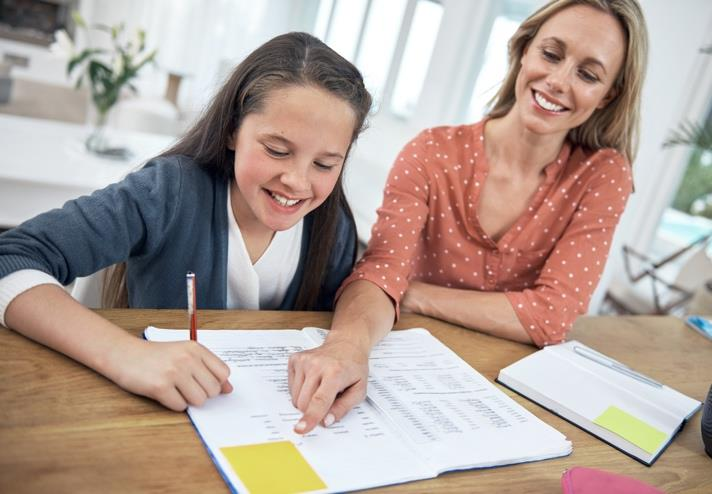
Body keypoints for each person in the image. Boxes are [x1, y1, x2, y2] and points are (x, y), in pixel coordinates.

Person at [288, 0, 648, 434]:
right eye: (551, 54)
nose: (557, 81)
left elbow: (554, 317)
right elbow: (382, 270)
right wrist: (346, 345)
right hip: (404, 381)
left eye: (588, 74)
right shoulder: (432, 153)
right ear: (524, 49)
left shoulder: (602, 176)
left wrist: (411, 294)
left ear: (608, 94)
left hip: (510, 399)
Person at [0, 32, 372, 411]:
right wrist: (124, 354)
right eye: (277, 150)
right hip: (146, 417)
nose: (297, 181)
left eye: (325, 164)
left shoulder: (334, 226)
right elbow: (11, 258)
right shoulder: (169, 191)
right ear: (232, 130)